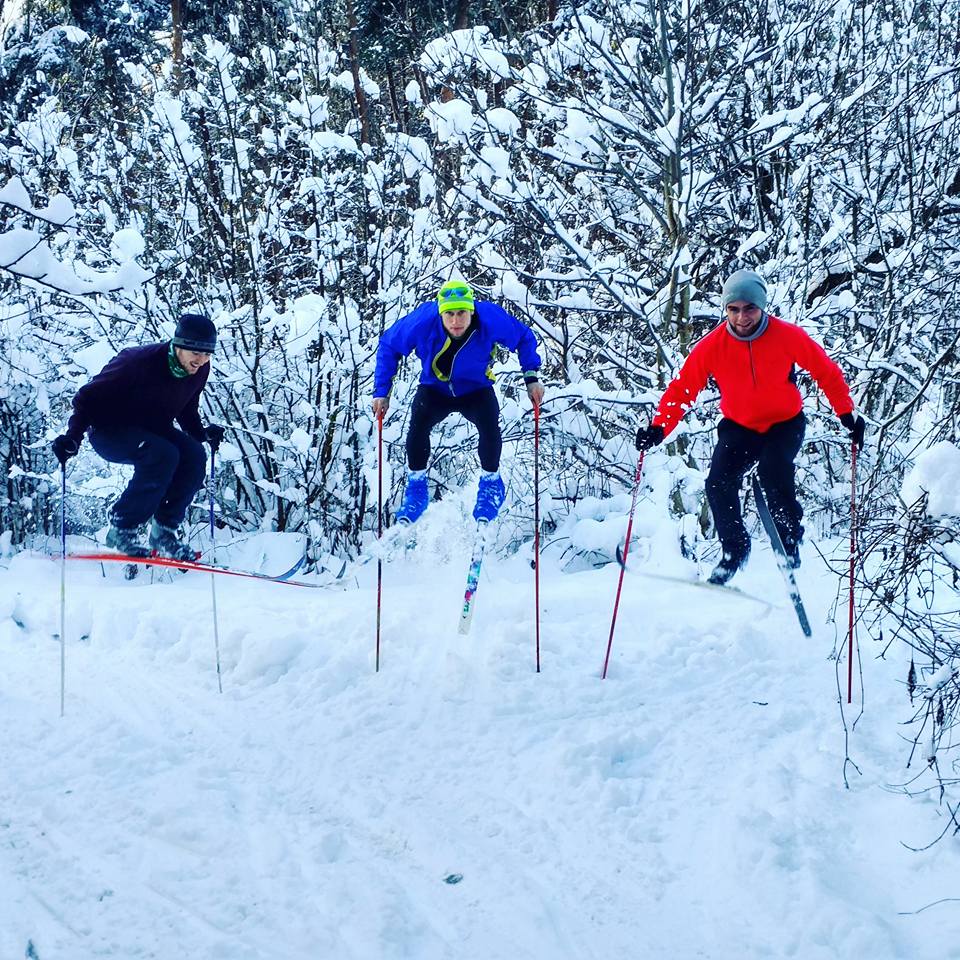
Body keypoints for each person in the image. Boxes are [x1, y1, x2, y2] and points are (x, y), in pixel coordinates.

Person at [635, 269, 865, 585]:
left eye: (749, 308)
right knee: (717, 481)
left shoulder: (788, 336)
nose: (742, 317)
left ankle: (788, 539)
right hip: (739, 426)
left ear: (762, 307)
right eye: (734, 309)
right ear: (726, 309)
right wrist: (659, 427)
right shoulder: (712, 346)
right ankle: (734, 550)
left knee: (773, 470)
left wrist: (846, 413)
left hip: (784, 424)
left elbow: (825, 371)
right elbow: (683, 388)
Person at [51, 313, 226, 560]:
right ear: (178, 345)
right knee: (164, 454)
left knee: (195, 455)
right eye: (195, 352)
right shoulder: (137, 361)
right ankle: (122, 528)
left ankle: (164, 532)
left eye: (207, 353)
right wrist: (73, 437)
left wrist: (202, 434)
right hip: (110, 429)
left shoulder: (199, 369)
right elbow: (87, 398)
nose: (201, 359)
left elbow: (187, 407)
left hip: (153, 429)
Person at [372, 280, 544, 523]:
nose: (456, 321)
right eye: (449, 314)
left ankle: (490, 485)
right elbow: (389, 344)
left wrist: (531, 377)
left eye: (462, 313)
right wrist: (382, 391)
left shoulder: (490, 318)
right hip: (435, 389)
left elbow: (524, 337)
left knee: (489, 424)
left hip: (475, 388)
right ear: (441, 313)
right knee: (418, 423)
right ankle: (417, 489)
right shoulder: (423, 321)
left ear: (471, 310)